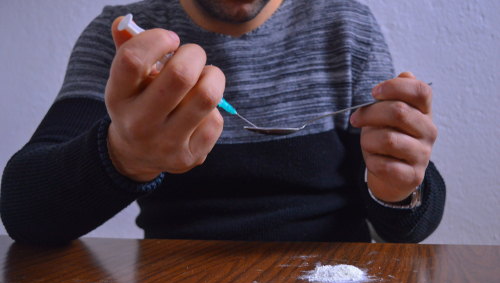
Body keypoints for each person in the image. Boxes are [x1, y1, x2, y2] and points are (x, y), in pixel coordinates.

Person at [0, 0, 445, 245]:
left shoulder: (343, 25)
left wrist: (397, 192)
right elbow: (25, 212)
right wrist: (123, 157)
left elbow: (412, 224)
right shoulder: (125, 40)